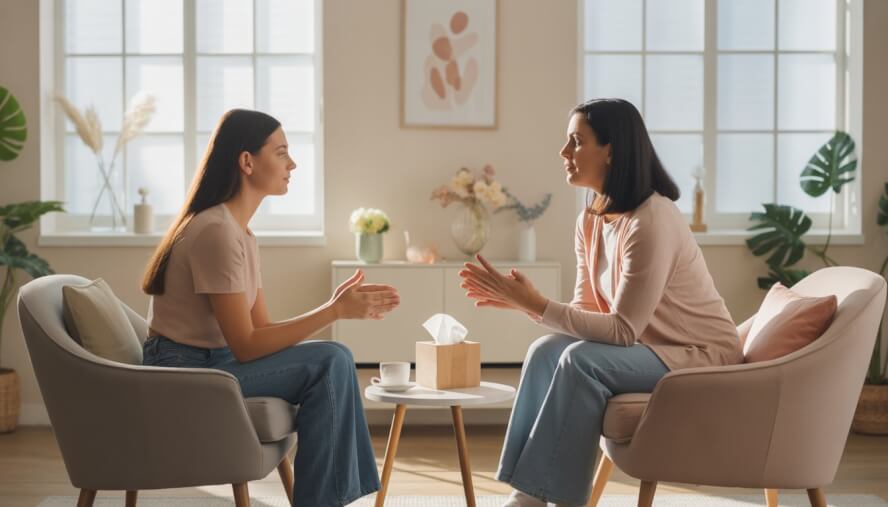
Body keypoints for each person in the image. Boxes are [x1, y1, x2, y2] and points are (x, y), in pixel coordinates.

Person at [458, 98, 743, 507]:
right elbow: (588, 313)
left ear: (611, 150)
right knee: (545, 352)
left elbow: (623, 330)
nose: (564, 153)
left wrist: (537, 305)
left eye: (576, 141)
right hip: (650, 349)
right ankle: (528, 495)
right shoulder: (590, 219)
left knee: (581, 361)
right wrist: (523, 304)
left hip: (699, 354)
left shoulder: (652, 221)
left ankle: (555, 499)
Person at [140, 109, 399, 507]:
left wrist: (332, 306)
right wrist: (333, 313)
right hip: (184, 369)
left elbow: (260, 331)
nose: (291, 164)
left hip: (214, 360)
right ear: (247, 162)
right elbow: (247, 346)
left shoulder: (241, 233)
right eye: (281, 153)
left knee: (333, 360)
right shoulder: (216, 233)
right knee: (333, 359)